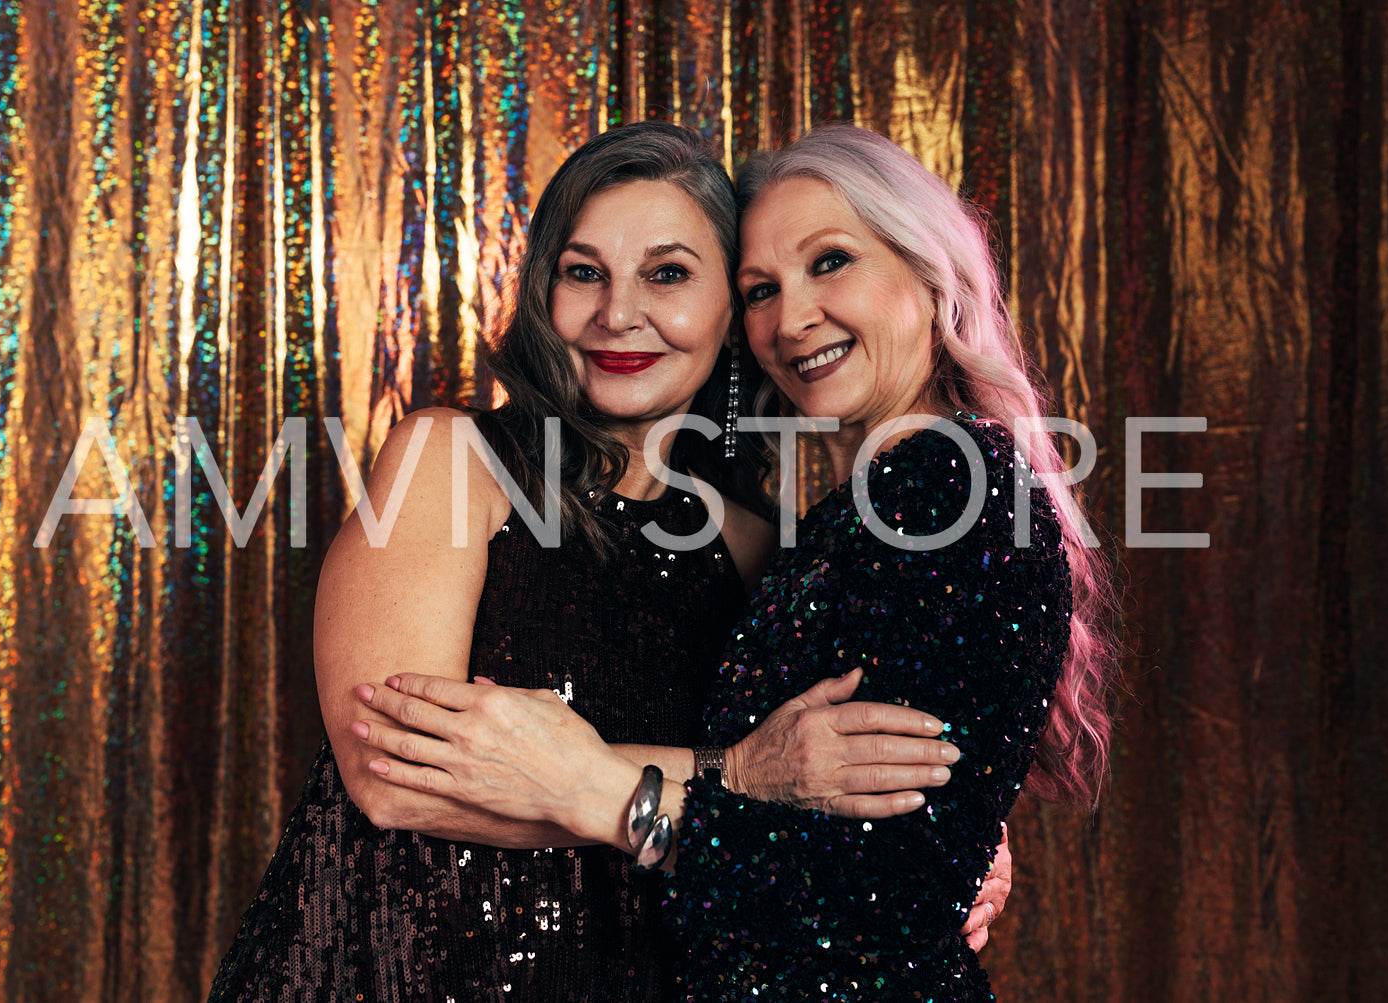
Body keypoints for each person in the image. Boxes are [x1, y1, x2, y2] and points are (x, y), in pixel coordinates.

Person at [207, 123, 997, 1003]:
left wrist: (966, 831)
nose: (618, 313)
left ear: (733, 311)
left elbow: (845, 772)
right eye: (584, 272)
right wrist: (727, 775)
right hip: (399, 970)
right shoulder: (454, 459)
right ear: (545, 291)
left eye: (667, 274)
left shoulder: (758, 542)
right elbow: (392, 775)